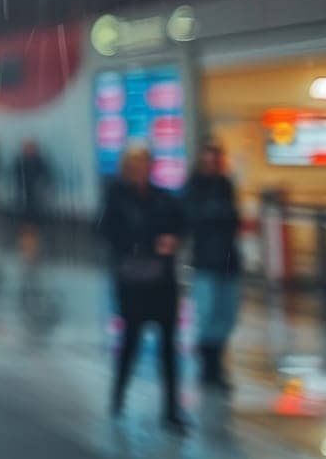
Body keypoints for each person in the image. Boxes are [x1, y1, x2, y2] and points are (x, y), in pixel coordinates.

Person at [99, 143, 188, 431]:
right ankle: (118, 396)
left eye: (144, 163)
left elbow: (182, 225)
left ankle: (171, 409)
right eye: (135, 163)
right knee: (131, 341)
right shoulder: (116, 197)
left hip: (162, 282)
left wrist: (172, 240)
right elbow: (106, 232)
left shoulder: (163, 198)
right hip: (133, 282)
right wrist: (142, 244)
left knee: (168, 348)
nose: (140, 169)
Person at [185, 140, 241, 391]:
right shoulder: (193, 186)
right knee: (207, 313)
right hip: (205, 261)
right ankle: (209, 366)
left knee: (227, 314)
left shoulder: (225, 185)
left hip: (228, 260)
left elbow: (232, 219)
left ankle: (216, 361)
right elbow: (194, 219)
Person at [14, 139, 54, 263]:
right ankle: (26, 243)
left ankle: (33, 243)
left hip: (35, 197)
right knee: (25, 219)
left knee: (34, 219)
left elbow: (46, 177)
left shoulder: (39, 162)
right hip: (25, 197)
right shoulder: (21, 162)